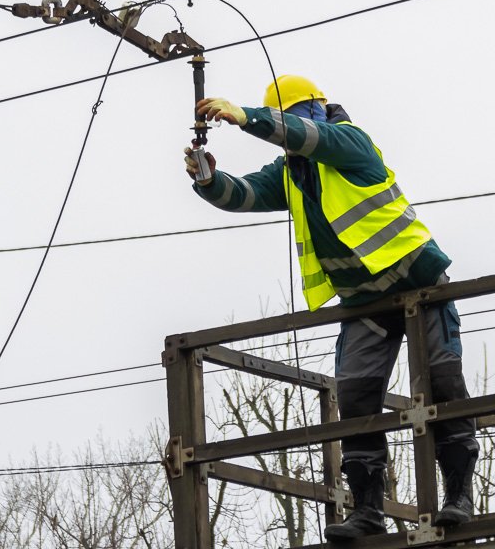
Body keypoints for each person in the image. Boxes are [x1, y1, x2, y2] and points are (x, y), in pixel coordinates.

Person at [183, 74, 477, 541]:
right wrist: (208, 178)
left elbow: (312, 137)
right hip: (365, 299)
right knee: (357, 396)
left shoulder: (350, 143)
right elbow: (244, 195)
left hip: (420, 281)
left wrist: (246, 117)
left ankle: (458, 496)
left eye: (297, 115)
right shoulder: (289, 174)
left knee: (443, 383)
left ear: (319, 109)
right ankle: (367, 509)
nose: (294, 127)